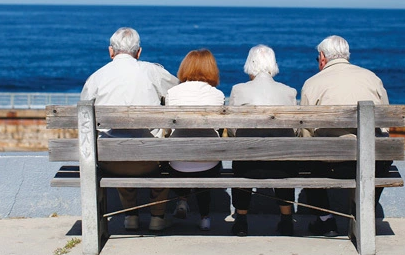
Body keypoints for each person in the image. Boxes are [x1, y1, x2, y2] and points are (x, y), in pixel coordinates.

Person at [81, 27, 179, 231]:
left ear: (111, 51)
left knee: (116, 142)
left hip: (111, 162)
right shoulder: (152, 71)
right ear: (139, 52)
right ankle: (157, 217)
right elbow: (178, 92)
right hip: (149, 161)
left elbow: (83, 119)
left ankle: (131, 216)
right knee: (160, 149)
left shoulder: (96, 78)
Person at [300, 35, 390, 237]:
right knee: (381, 153)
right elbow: (385, 125)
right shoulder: (372, 78)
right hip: (373, 160)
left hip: (333, 163)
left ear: (322, 57)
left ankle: (325, 220)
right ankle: (361, 211)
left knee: (304, 157)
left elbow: (305, 132)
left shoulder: (312, 83)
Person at [228, 45, 298, 237]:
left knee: (241, 156)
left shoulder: (238, 90)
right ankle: (286, 221)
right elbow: (296, 130)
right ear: (273, 64)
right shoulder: (288, 92)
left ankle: (241, 221)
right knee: (285, 155)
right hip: (282, 166)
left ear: (250, 64)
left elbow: (233, 129)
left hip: (248, 165)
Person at [166, 49, 225, 231]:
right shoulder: (218, 95)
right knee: (205, 159)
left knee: (180, 154)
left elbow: (167, 129)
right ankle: (205, 218)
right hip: (208, 164)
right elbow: (220, 129)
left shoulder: (172, 93)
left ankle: (182, 200)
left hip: (178, 165)